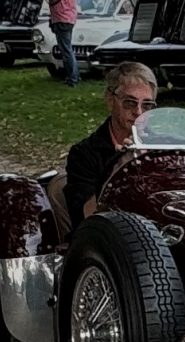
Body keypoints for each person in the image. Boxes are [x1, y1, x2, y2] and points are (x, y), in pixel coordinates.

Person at [64, 62, 158, 229]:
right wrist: (121, 167)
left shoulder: (165, 146)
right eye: (130, 102)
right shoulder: (84, 154)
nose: (138, 112)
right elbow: (85, 217)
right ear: (110, 100)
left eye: (147, 105)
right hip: (107, 241)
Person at [48, 0, 79, 87]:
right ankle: (73, 76)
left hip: (61, 18)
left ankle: (73, 77)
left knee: (66, 50)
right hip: (69, 18)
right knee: (68, 49)